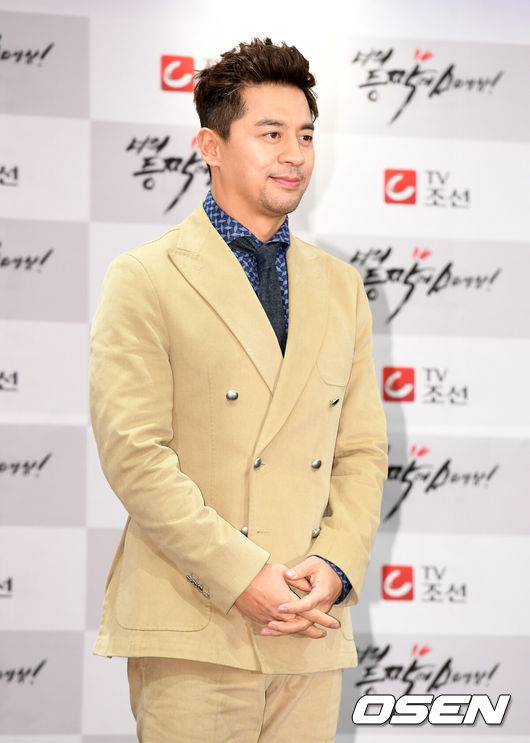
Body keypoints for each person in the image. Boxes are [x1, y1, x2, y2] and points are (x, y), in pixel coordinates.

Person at [90, 37, 387, 743]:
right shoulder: (147, 276)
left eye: (306, 136)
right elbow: (135, 454)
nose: (295, 155)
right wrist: (241, 575)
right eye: (271, 134)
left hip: (308, 623)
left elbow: (361, 450)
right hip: (196, 624)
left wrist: (336, 565)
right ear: (211, 145)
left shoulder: (341, 286)